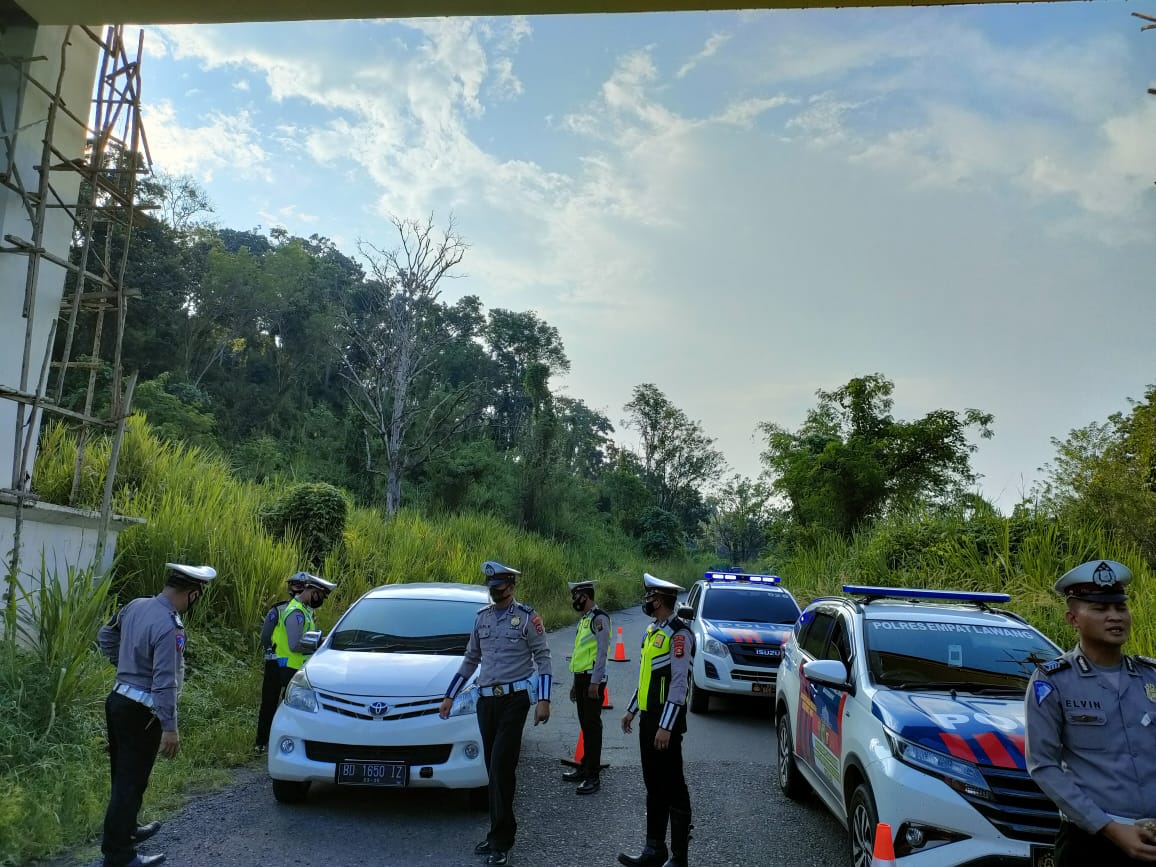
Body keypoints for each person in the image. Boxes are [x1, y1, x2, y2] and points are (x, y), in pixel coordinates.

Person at [1025, 559, 1156, 866]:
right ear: (1073, 618)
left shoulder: (1151, 676)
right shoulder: (1053, 681)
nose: (1115, 617)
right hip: (1091, 841)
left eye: (1120, 607)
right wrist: (1110, 828)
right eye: (1099, 609)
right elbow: (1042, 765)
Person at [96, 562, 217, 867]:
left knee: (123, 777)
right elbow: (164, 681)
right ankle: (119, 855)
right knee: (131, 781)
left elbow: (104, 636)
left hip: (118, 700)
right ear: (192, 594)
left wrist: (125, 665)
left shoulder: (136, 605)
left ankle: (127, 830)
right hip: (141, 713)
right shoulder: (169, 625)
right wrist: (170, 728)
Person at [438, 560, 552, 866]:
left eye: (500, 589)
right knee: (493, 767)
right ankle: (495, 833)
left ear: (511, 588)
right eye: (492, 589)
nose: (496, 594)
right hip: (485, 701)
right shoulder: (482, 619)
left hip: (515, 701)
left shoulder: (528, 619)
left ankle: (503, 839)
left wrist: (544, 700)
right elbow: (470, 659)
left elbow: (543, 658)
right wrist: (449, 695)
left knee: (502, 765)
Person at [619, 572, 696, 867]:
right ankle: (654, 850)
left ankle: (679, 857)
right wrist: (631, 709)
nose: (646, 601)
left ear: (661, 600)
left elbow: (679, 684)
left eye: (650, 597)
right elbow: (646, 678)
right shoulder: (653, 631)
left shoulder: (679, 634)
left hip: (667, 723)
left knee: (673, 785)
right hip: (649, 719)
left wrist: (666, 726)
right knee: (653, 784)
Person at [561, 578, 611, 794]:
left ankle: (593, 776)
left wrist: (595, 682)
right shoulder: (585, 620)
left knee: (592, 727)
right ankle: (584, 767)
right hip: (582, 678)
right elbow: (580, 654)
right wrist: (575, 683)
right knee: (585, 725)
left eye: (577, 596)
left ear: (586, 596)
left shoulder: (600, 619)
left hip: (592, 680)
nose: (574, 600)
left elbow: (602, 652)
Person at [253, 572, 309, 753]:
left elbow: (265, 637)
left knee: (268, 703)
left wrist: (270, 650)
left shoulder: (278, 610)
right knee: (294, 704)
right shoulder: (303, 612)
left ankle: (261, 743)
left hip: (274, 662)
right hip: (292, 665)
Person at [269, 572, 336, 682]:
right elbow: (295, 645)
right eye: (321, 597)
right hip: (291, 668)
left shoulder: (305, 610)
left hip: (298, 667)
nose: (321, 601)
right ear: (314, 592)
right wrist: (320, 642)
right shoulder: (296, 612)